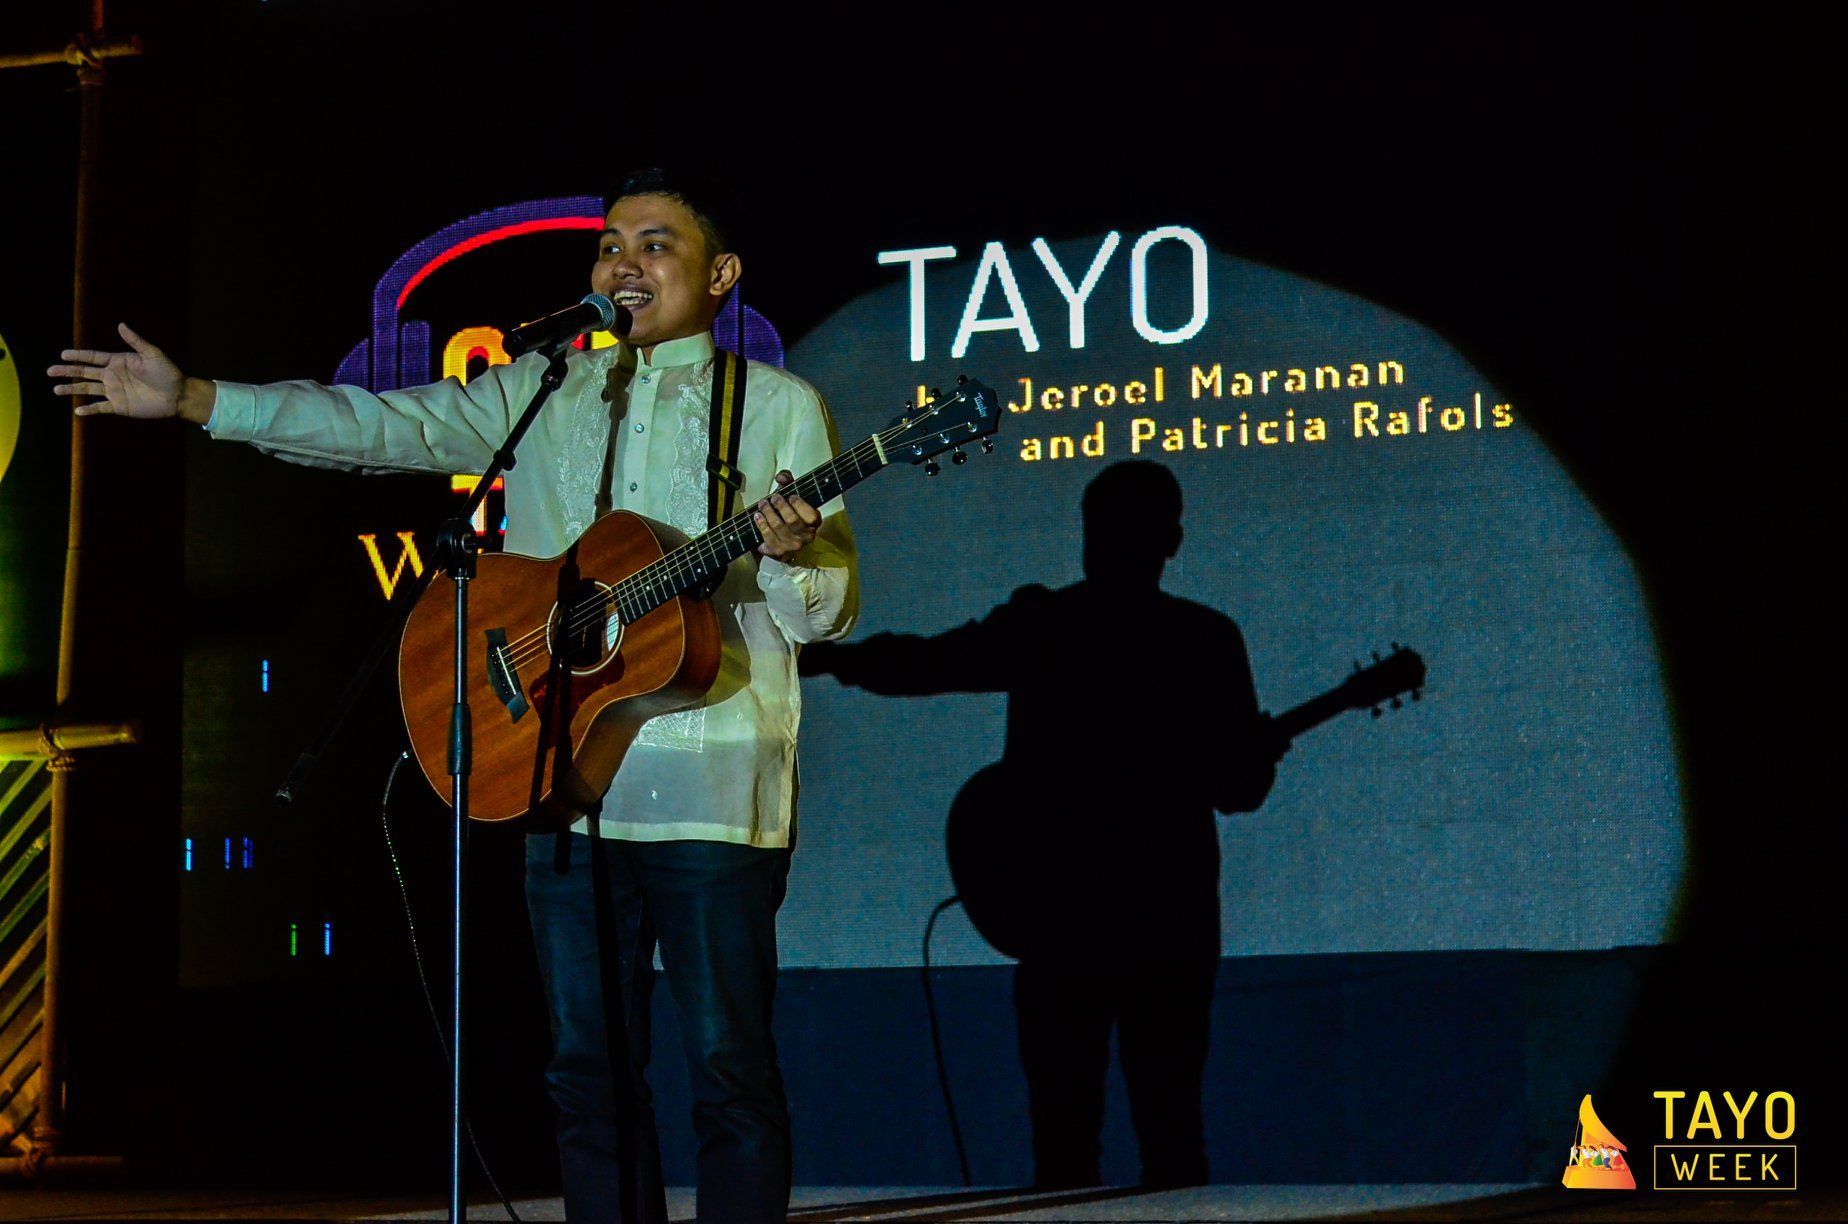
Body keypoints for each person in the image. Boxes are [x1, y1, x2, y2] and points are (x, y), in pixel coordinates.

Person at [50, 168, 858, 1223]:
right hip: (560, 783)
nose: (624, 261)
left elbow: (823, 613)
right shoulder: (548, 389)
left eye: (656, 244)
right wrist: (200, 400)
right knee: (584, 1078)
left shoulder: (780, 408)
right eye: (612, 243)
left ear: (722, 276)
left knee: (728, 1073)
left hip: (712, 786)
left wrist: (795, 556)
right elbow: (382, 428)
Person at [801, 460, 1280, 1190]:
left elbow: (928, 663)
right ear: (1172, 541)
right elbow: (1238, 789)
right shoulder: (1204, 639)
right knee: (1171, 1132)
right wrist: (1252, 750)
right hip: (1168, 924)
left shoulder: (1048, 625)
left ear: (1090, 537)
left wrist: (830, 660)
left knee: (1062, 1141)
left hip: (1063, 923)